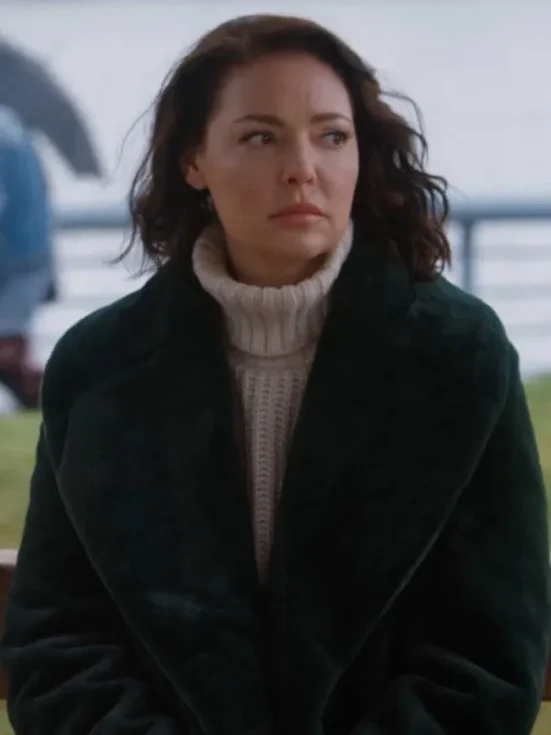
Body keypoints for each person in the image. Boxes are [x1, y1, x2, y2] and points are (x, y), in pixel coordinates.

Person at [1, 14, 549, 734]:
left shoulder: (462, 358)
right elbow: (56, 644)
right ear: (194, 160)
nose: (302, 167)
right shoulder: (98, 369)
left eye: (332, 136)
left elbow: (487, 656)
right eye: (261, 137)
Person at [0, 104, 55, 409]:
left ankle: (53, 396)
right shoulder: (11, 125)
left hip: (13, 259)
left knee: (7, 349)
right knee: (9, 346)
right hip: (32, 255)